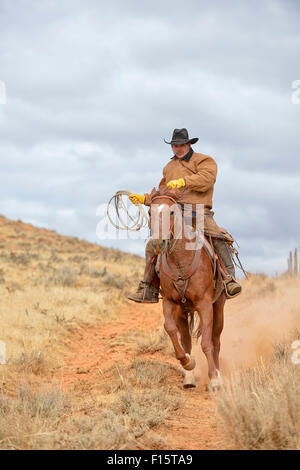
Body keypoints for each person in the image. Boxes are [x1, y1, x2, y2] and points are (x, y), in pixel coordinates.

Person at [127, 128, 242, 303]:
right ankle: (147, 287)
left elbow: (207, 180)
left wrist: (184, 181)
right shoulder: (169, 167)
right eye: (175, 146)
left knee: (217, 237)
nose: (178, 149)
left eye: (181, 145)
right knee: (155, 243)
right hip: (174, 213)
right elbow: (163, 193)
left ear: (189, 144)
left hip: (198, 212)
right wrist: (146, 199)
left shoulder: (204, 160)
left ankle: (229, 278)